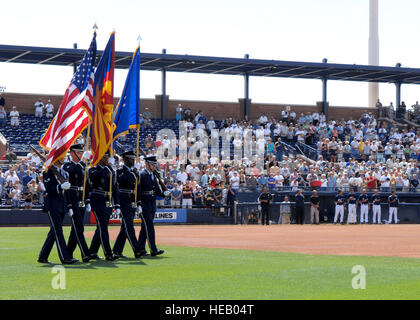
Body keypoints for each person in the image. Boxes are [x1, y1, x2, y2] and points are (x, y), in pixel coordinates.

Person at [37, 158, 78, 265]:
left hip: (62, 205)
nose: (64, 157)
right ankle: (65, 257)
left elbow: (66, 192)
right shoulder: (48, 171)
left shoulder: (64, 173)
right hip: (52, 205)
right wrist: (60, 186)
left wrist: (69, 206)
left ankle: (43, 256)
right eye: (61, 156)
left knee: (53, 232)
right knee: (58, 231)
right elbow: (49, 188)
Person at [88, 151, 120, 261]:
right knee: (103, 227)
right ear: (100, 158)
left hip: (108, 201)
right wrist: (108, 168)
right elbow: (95, 178)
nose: (107, 159)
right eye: (105, 157)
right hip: (97, 199)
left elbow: (115, 187)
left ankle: (92, 252)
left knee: (101, 227)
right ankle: (108, 253)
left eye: (108, 157)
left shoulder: (110, 171)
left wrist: (117, 204)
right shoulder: (93, 169)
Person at [62, 144, 92, 263]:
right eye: (78, 152)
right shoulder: (67, 165)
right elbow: (72, 173)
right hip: (72, 197)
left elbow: (87, 184)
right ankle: (85, 253)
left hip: (81, 198)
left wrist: (88, 200)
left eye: (81, 152)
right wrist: (83, 161)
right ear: (72, 153)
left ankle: (68, 253)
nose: (80, 154)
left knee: (76, 228)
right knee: (79, 227)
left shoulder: (83, 166)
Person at [137, 155, 170, 257]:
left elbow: (156, 190)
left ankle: (141, 249)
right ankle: (153, 249)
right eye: (152, 164)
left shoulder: (153, 175)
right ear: (147, 164)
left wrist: (164, 193)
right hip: (144, 204)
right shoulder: (141, 175)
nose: (154, 166)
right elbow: (138, 191)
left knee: (144, 228)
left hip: (151, 204)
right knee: (150, 227)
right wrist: (138, 203)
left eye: (155, 164)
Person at [112, 150, 143, 259]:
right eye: (130, 158)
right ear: (124, 159)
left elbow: (138, 188)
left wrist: (138, 202)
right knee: (129, 226)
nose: (133, 160)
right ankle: (137, 249)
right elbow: (121, 181)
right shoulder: (120, 171)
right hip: (123, 200)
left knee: (125, 228)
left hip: (132, 200)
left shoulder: (135, 172)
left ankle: (116, 250)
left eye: (133, 158)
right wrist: (131, 173)